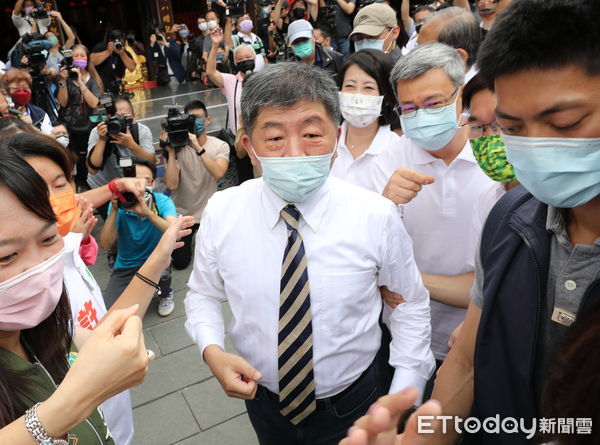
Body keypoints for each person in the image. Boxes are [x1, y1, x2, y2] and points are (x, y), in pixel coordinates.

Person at [184, 62, 434, 445]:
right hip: (264, 403)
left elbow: (409, 306)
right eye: (274, 139)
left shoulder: (374, 215)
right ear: (250, 147)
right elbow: (202, 293)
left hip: (357, 402)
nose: (294, 153)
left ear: (336, 138)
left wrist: (399, 399)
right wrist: (211, 350)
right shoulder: (222, 212)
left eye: (312, 134)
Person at [424, 1, 600, 443]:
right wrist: (422, 436)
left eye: (564, 122)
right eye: (512, 128)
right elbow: (465, 361)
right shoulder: (510, 219)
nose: (538, 147)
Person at [0, 148, 186, 444]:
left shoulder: (44, 328)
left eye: (48, 239)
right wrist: (69, 405)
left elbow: (102, 335)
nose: (38, 267)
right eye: (7, 256)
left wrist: (159, 256)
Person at [374, 43, 496, 400]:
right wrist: (385, 205)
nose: (421, 116)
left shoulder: (494, 160)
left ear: (461, 98)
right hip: (406, 334)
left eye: (434, 104)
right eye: (409, 108)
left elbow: (491, 279)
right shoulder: (389, 161)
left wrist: (412, 282)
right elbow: (371, 257)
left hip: (480, 334)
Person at [101, 159, 178, 316]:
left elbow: (174, 230)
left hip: (156, 261)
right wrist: (115, 210)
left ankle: (165, 292)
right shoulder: (119, 205)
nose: (141, 185)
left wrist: (148, 213)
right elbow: (105, 244)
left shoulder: (162, 201)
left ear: (154, 183)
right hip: (126, 265)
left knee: (164, 269)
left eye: (147, 180)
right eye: (135, 180)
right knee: (106, 312)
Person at [162, 100, 230, 270]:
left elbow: (218, 172)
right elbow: (170, 184)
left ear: (208, 120)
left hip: (209, 211)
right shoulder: (178, 147)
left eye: (199, 117)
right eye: (190, 118)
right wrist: (170, 153)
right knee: (180, 263)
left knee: (216, 259)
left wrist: (198, 147)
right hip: (183, 213)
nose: (195, 121)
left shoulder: (219, 145)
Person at [330, 49, 399, 192]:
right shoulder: (326, 142)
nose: (357, 95)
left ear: (385, 97)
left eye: (368, 87)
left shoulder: (397, 150)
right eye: (350, 86)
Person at [86, 96, 155, 219]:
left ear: (134, 116)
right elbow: (92, 169)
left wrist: (132, 145)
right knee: (113, 225)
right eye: (115, 117)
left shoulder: (141, 131)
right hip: (104, 187)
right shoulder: (98, 132)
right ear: (108, 117)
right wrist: (102, 140)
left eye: (124, 117)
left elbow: (151, 163)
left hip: (133, 186)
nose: (119, 121)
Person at [57, 44, 103, 190]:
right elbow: (63, 103)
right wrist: (63, 81)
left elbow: (94, 102)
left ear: (87, 59)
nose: (79, 58)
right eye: (75, 56)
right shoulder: (67, 78)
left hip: (90, 127)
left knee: (90, 159)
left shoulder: (92, 79)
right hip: (71, 127)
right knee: (74, 161)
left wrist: (81, 83)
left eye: (82, 55)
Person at [417, 7, 482, 83]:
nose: (415, 56)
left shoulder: (481, 92)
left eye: (425, 51)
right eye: (417, 46)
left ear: (459, 56)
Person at [2, 68, 55, 133]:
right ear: (6, 92)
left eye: (25, 88)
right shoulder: (3, 116)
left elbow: (51, 139)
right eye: (16, 89)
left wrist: (30, 127)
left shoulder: (39, 114)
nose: (22, 92)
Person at [90, 29, 136, 96]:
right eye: (115, 41)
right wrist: (108, 52)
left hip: (116, 87)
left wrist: (122, 54)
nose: (117, 43)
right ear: (110, 41)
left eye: (121, 41)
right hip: (100, 87)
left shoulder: (123, 51)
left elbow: (132, 68)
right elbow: (92, 61)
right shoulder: (101, 47)